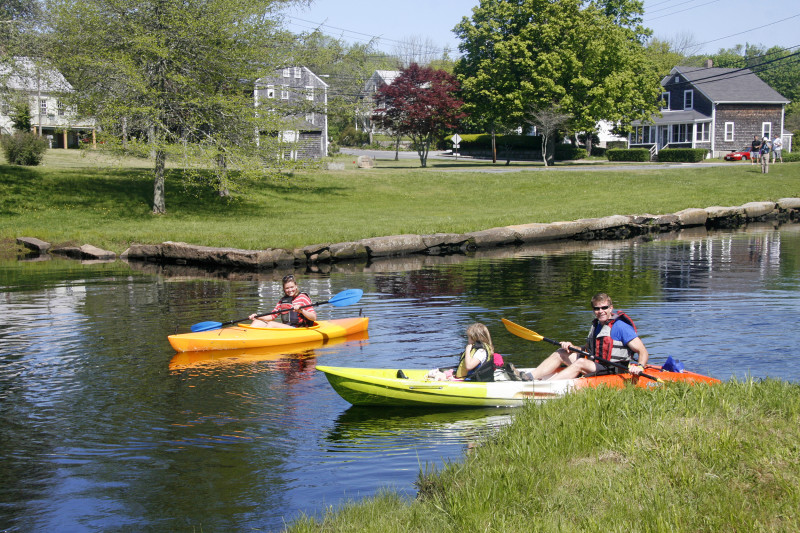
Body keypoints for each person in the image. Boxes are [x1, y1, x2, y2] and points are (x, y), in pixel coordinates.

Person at [526, 293, 649, 381]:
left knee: (580, 362)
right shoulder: (597, 325)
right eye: (597, 308)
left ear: (611, 308)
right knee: (561, 352)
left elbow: (642, 351)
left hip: (613, 368)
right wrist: (571, 346)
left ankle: (548, 387)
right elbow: (588, 349)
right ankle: (529, 376)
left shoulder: (620, 327)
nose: (600, 311)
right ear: (593, 310)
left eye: (604, 308)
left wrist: (639, 366)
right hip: (596, 363)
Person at [426, 323, 496, 381]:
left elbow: (469, 366)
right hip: (467, 377)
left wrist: (468, 350)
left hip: (472, 379)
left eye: (469, 337)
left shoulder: (481, 351)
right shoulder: (480, 349)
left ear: (475, 338)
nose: (468, 339)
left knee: (441, 378)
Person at [249, 274, 316, 328]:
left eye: (292, 287)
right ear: (284, 289)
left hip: (300, 329)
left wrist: (302, 310)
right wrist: (257, 316)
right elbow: (271, 316)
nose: (290, 290)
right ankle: (248, 338)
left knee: (271, 324)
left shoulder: (303, 297)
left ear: (296, 286)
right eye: (287, 288)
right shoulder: (282, 301)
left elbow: (314, 317)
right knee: (257, 321)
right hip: (287, 327)